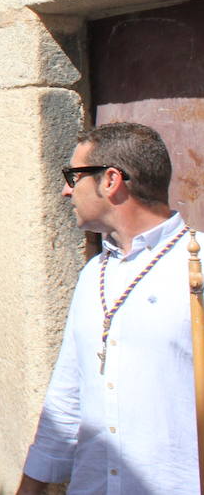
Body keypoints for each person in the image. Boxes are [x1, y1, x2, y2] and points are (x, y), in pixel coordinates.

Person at [17, 122, 198, 494]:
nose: (66, 190)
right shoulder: (92, 274)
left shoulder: (196, 266)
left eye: (73, 176)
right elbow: (66, 400)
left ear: (111, 180)